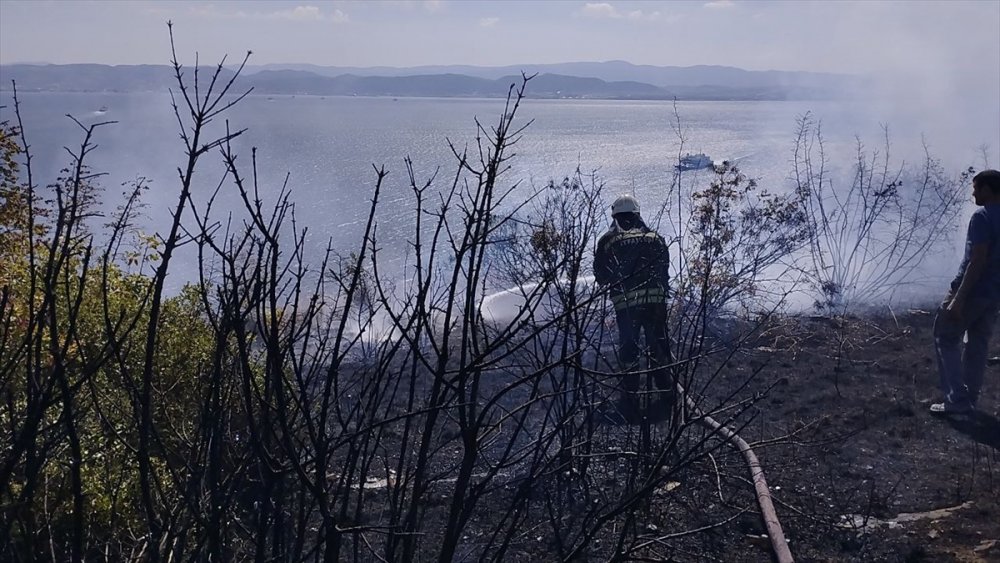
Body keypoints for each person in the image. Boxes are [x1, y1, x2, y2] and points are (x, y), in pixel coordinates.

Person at [594, 194, 674, 418]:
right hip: (656, 302)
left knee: (629, 350)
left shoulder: (608, 241)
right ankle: (667, 395)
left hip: (626, 306)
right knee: (659, 345)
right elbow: (664, 270)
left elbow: (601, 275)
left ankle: (630, 399)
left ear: (615, 216)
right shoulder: (655, 237)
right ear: (637, 214)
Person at [931, 169, 1000, 415]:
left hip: (973, 290)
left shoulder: (982, 216)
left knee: (945, 336)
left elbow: (977, 259)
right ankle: (969, 400)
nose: (973, 194)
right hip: (994, 294)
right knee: (978, 344)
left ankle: (957, 401)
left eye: (976, 189)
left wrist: (958, 298)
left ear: (987, 189)